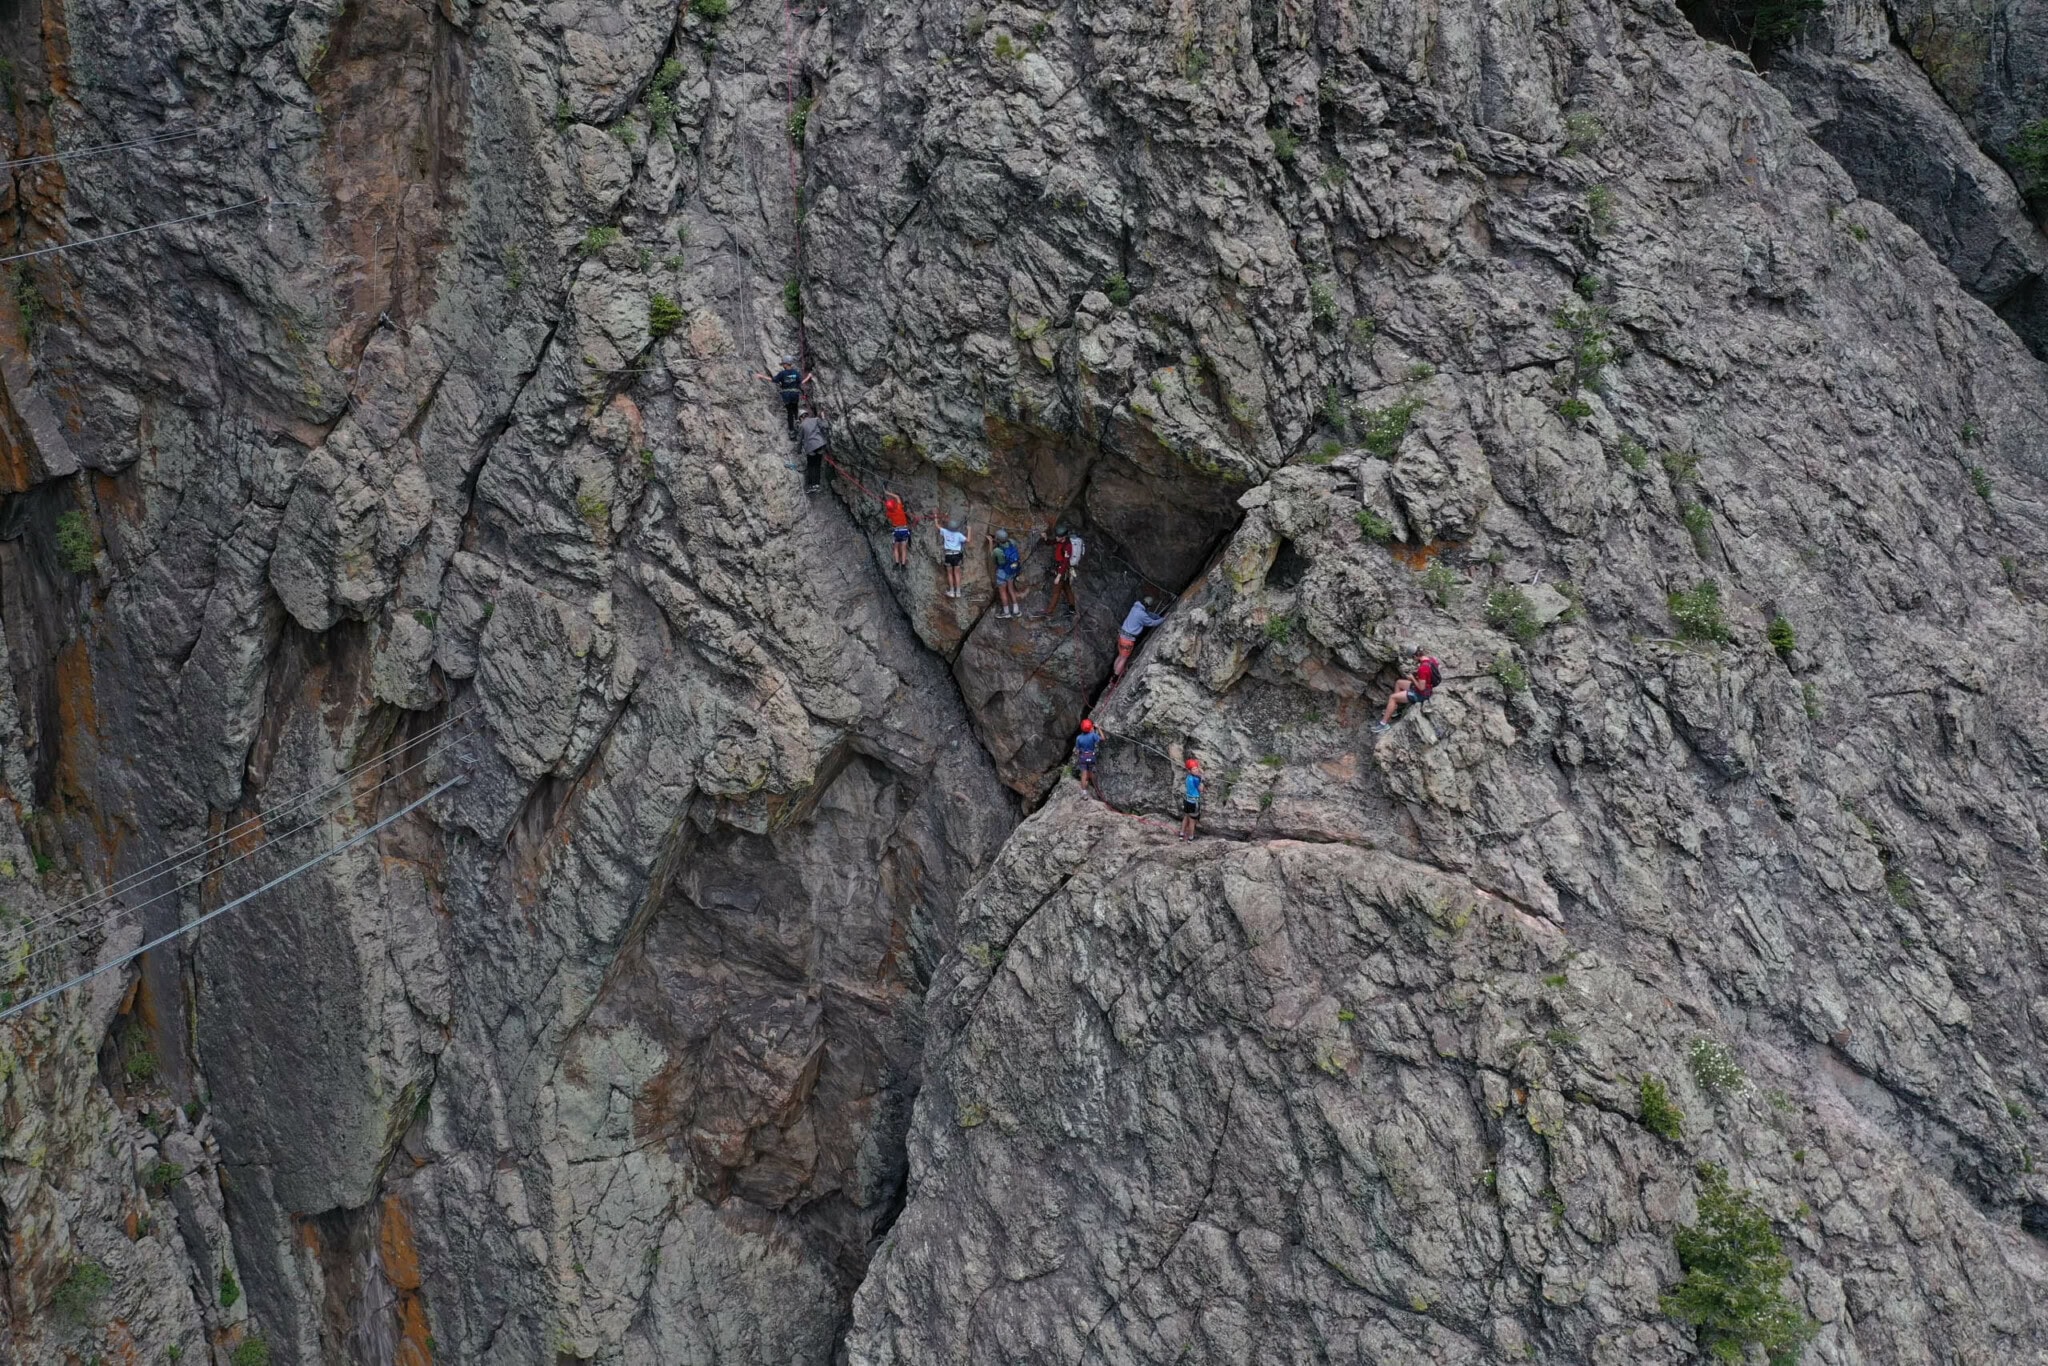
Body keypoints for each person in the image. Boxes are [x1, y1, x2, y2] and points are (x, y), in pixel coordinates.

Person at [1373, 643, 1442, 732]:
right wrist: (1420, 677)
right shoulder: (1432, 660)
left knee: (1392, 698)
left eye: (1412, 658)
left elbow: (1421, 688)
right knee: (1399, 683)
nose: (1413, 660)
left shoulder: (1423, 668)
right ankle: (1396, 710)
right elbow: (1431, 672)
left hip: (1421, 694)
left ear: (1415, 656)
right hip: (1428, 688)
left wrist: (1413, 678)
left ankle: (1384, 724)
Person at [1112, 597, 1169, 680]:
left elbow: (1148, 614)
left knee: (1120, 656)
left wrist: (1157, 616)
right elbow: (1151, 623)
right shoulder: (1142, 615)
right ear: (1148, 606)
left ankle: (1114, 672)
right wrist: (1163, 619)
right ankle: (1115, 678)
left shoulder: (1135, 607)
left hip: (1121, 636)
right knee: (1124, 658)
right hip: (1128, 640)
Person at [754, 356, 811, 437]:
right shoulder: (796, 372)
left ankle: (791, 431)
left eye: (783, 364)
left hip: (786, 396)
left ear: (786, 364)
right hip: (794, 395)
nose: (783, 365)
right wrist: (809, 376)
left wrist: (762, 376)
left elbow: (773, 380)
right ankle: (798, 425)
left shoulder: (782, 374)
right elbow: (802, 382)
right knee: (795, 410)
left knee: (789, 413)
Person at [1044, 524, 1079, 619]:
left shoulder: (1067, 547)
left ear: (1063, 537)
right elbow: (1050, 542)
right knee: (1067, 588)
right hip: (1061, 569)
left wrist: (1059, 575)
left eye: (1058, 536)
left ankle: (1049, 611)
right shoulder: (1060, 540)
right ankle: (1072, 608)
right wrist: (1045, 538)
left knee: (1056, 591)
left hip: (1062, 570)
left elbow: (1065, 563)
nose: (1056, 537)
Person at [988, 528, 1023, 617]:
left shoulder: (997, 551)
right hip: (1011, 571)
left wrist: (991, 543)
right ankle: (1016, 611)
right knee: (1011, 589)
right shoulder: (1012, 542)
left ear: (998, 540)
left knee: (1003, 592)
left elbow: (991, 557)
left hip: (1002, 573)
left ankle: (1006, 612)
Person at [797, 406, 830, 493]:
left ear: (801, 417)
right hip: (820, 445)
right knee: (817, 465)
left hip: (811, 448)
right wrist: (823, 418)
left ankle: (812, 485)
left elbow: (799, 440)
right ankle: (817, 485)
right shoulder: (816, 420)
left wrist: (798, 450)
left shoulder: (801, 425)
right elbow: (826, 426)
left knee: (811, 466)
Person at [937, 520, 968, 597]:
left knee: (950, 573)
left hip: (948, 555)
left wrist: (935, 517)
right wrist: (969, 530)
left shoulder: (945, 532)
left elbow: (937, 526)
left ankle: (951, 591)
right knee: (957, 574)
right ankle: (958, 592)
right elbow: (968, 540)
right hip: (957, 555)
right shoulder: (958, 534)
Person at [1073, 719, 1101, 796]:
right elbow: (1103, 738)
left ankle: (1084, 793)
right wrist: (1098, 728)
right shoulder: (1093, 735)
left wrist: (1079, 756)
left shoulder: (1078, 738)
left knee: (1084, 774)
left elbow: (1077, 750)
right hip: (1091, 756)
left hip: (1083, 757)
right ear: (1091, 728)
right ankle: (1097, 789)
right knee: (1092, 772)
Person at [884, 491, 911, 570]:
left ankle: (896, 562)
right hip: (904, 530)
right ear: (895, 505)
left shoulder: (889, 513)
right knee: (903, 548)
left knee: (896, 547)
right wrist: (888, 493)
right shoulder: (899, 508)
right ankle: (903, 565)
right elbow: (897, 497)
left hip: (897, 531)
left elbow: (889, 511)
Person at [1180, 757, 1203, 840]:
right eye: (1194, 769)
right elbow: (1201, 789)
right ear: (1190, 771)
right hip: (1194, 803)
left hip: (1186, 800)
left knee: (1186, 817)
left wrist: (1198, 766)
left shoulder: (1188, 777)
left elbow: (1196, 771)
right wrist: (1202, 780)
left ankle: (1181, 833)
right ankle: (1190, 837)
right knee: (1192, 821)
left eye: (1196, 768)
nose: (1196, 770)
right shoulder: (1196, 779)